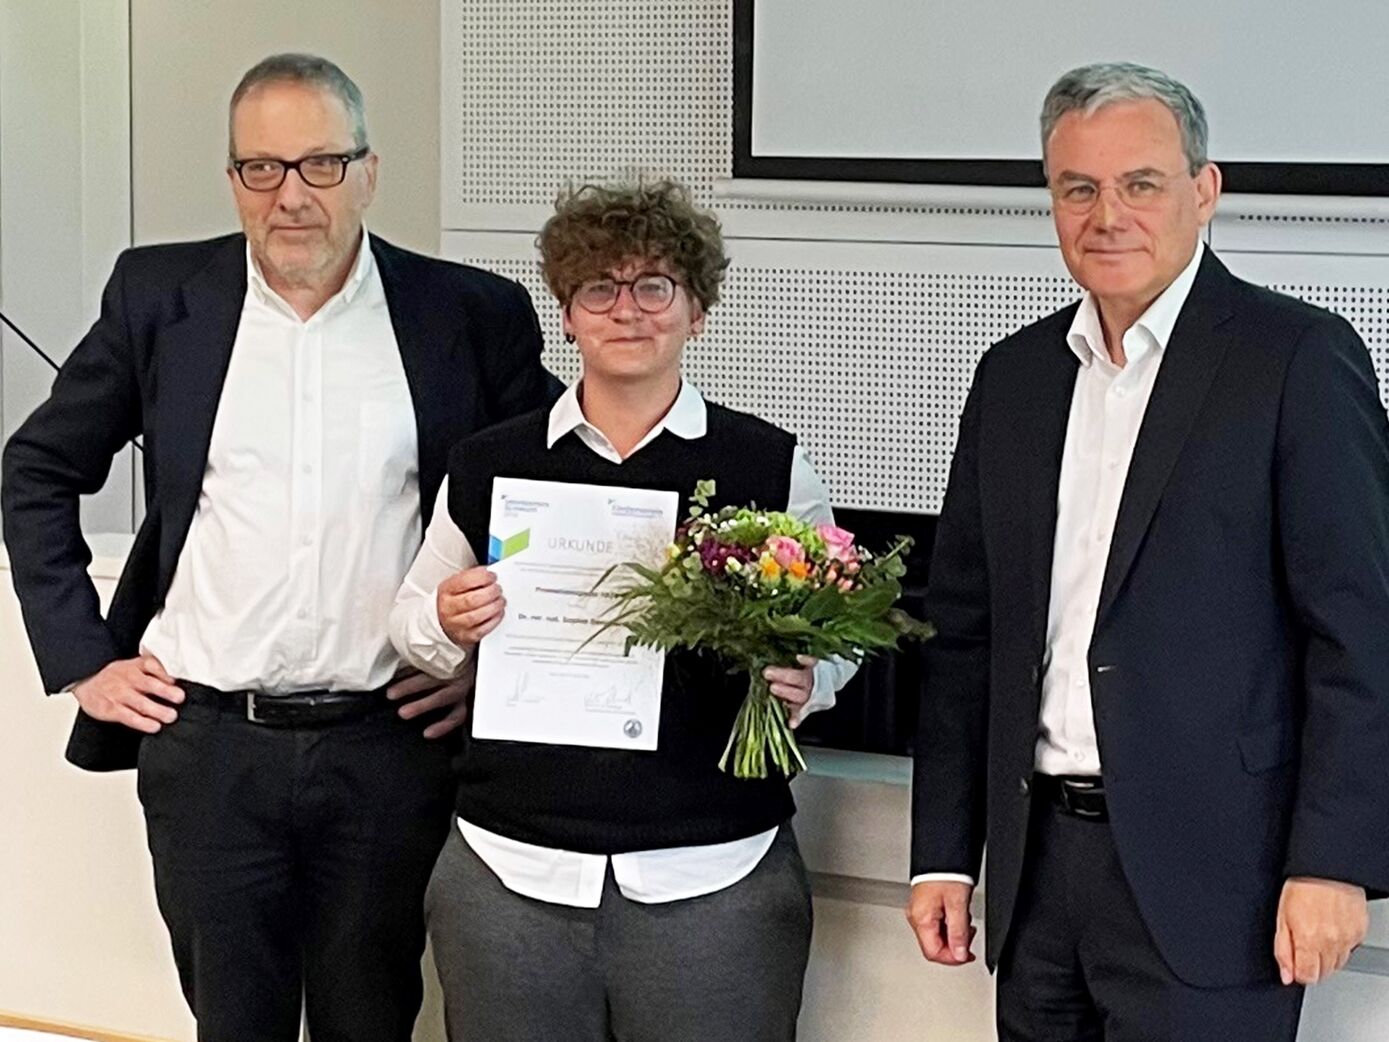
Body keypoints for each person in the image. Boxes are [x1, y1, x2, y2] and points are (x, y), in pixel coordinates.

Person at [1, 53, 557, 1042]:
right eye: (262, 168)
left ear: (370, 172)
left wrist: (491, 665)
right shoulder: (161, 298)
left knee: (370, 1018)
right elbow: (37, 468)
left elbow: (550, 504)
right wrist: (83, 659)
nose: (290, 194)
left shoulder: (466, 314)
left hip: (389, 744)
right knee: (232, 1023)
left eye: (320, 165)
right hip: (208, 747)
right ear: (233, 180)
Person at [906, 62, 1389, 1041]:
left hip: (1223, 885)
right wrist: (944, 852)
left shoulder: (1294, 358)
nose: (1106, 213)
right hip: (1038, 877)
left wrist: (1333, 859)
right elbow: (966, 633)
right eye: (1078, 187)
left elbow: (1360, 630)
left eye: (1141, 183)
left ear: (1204, 192)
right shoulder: (1013, 378)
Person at [388, 179, 853, 1041]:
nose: (625, 310)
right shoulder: (491, 463)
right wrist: (446, 623)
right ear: (566, 313)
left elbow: (834, 636)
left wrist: (805, 676)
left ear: (697, 310)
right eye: (598, 287)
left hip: (712, 872)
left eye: (654, 287)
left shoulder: (767, 466)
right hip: (509, 869)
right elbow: (411, 623)